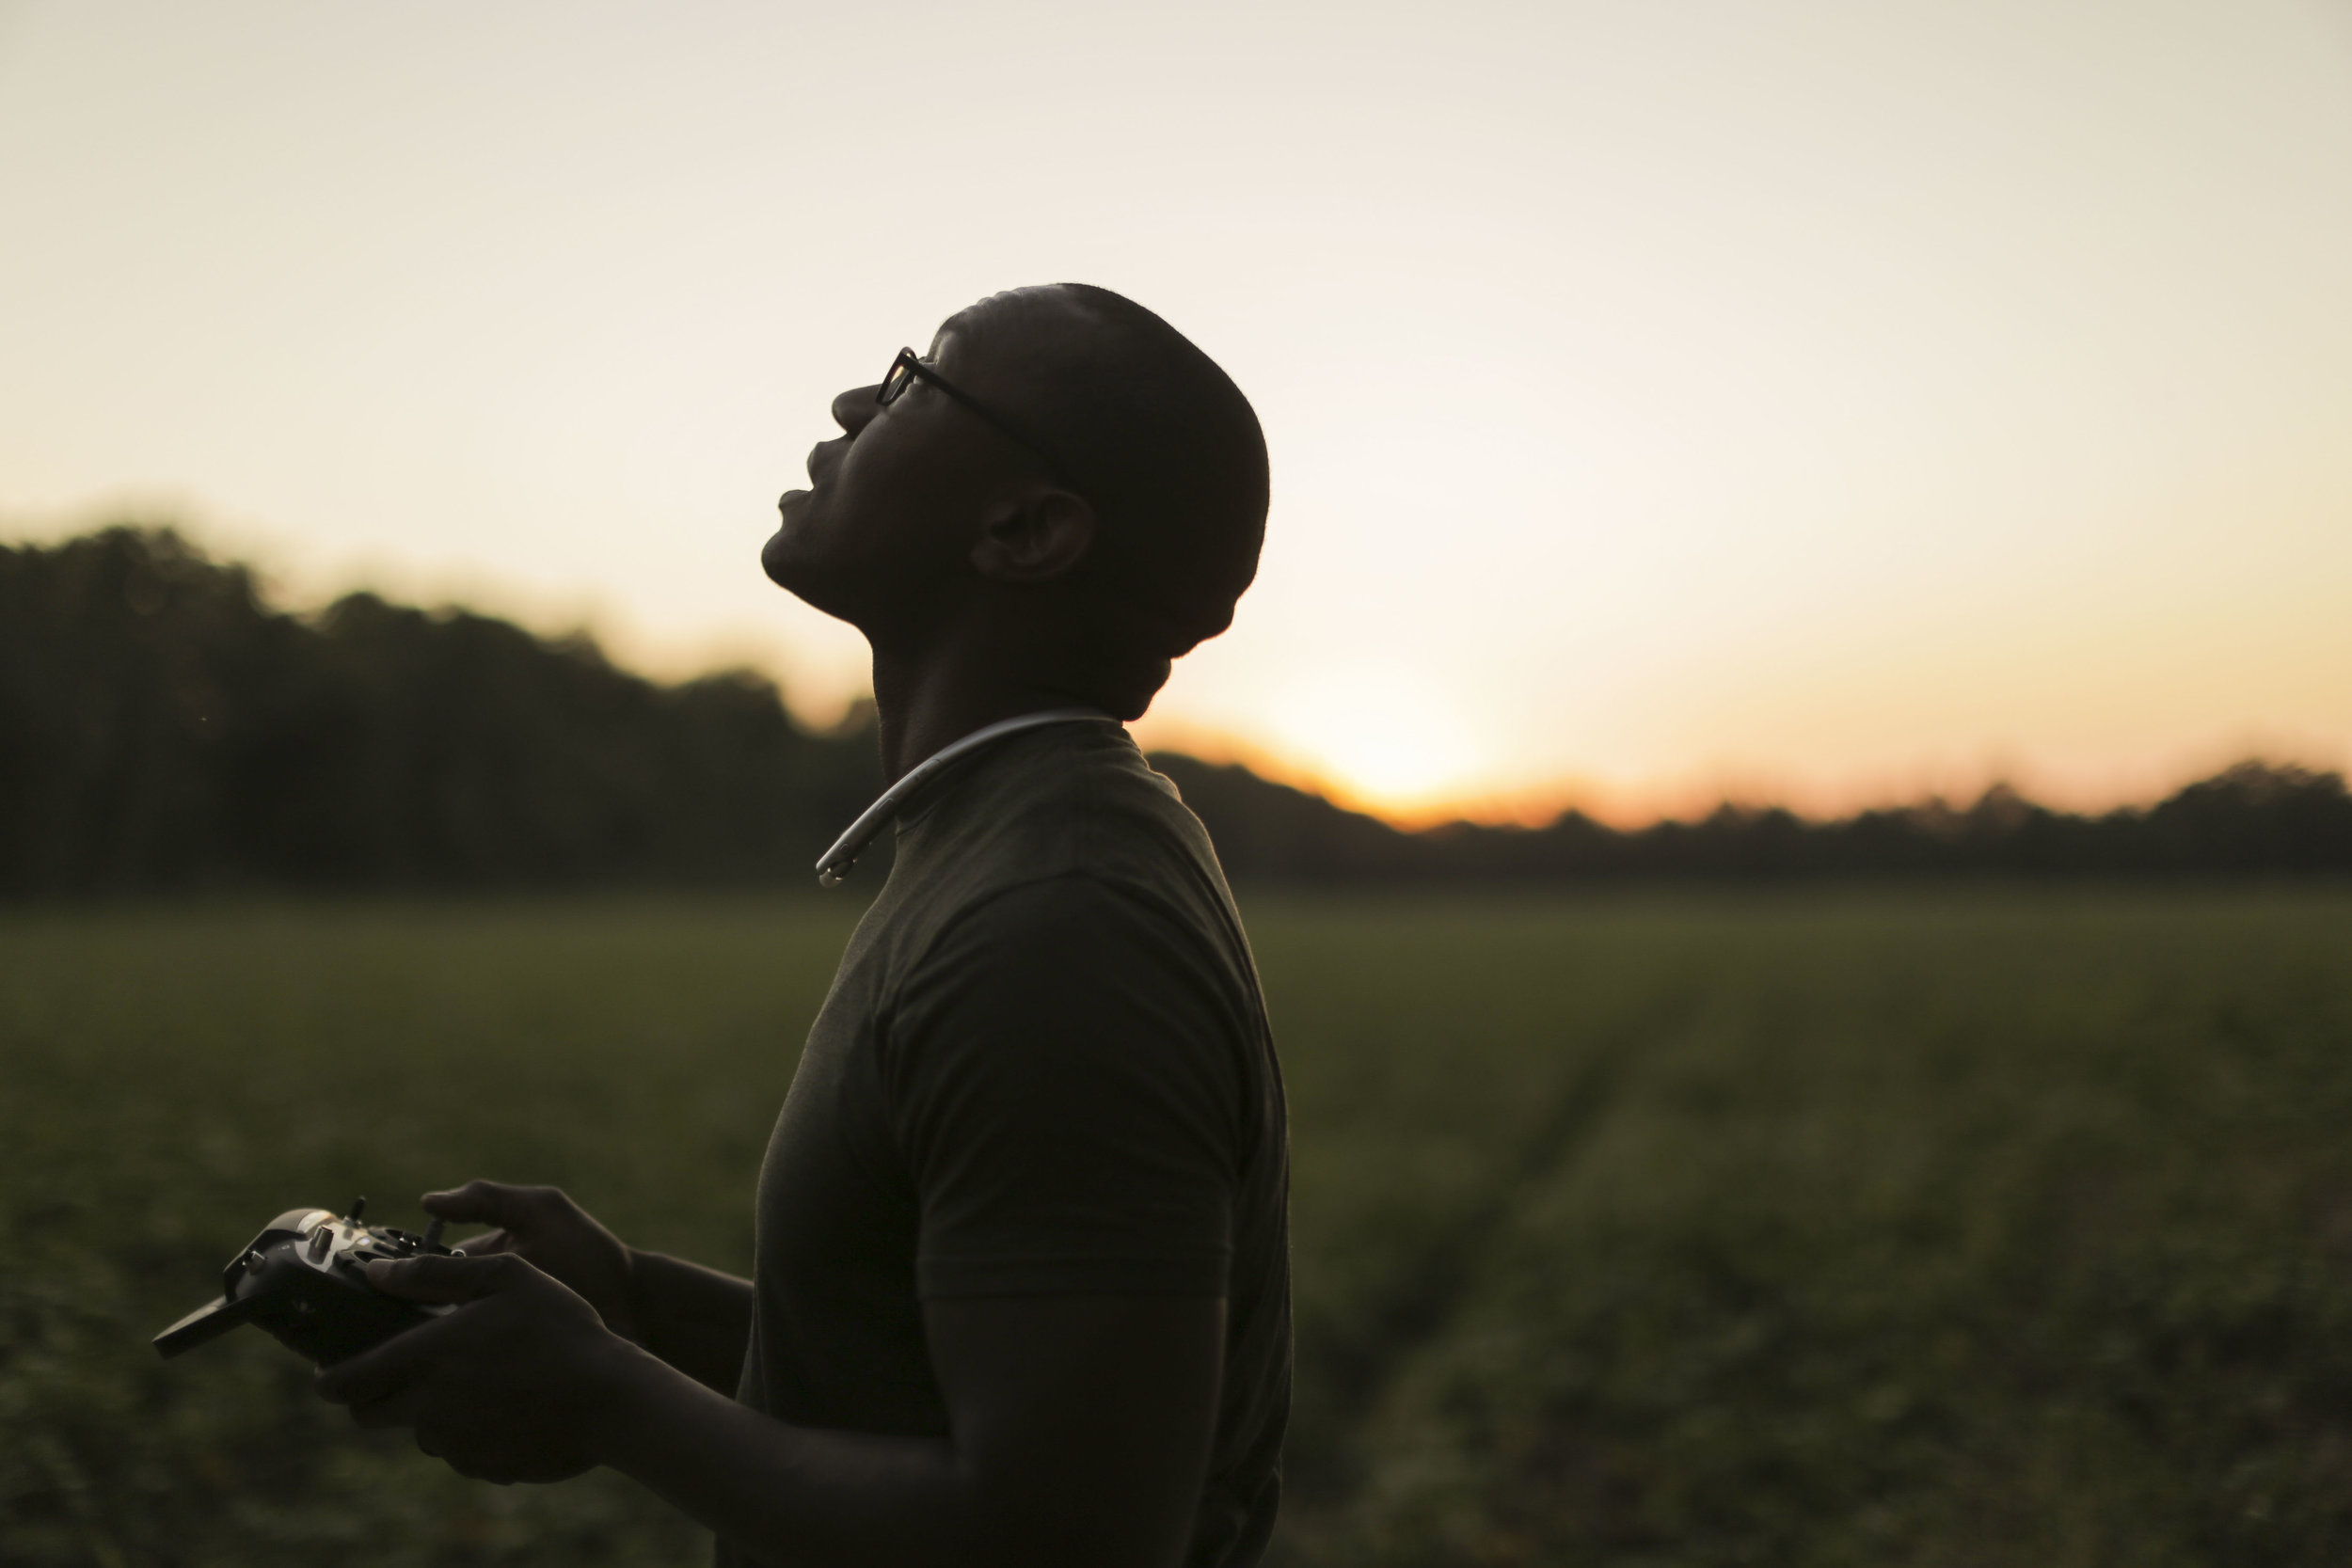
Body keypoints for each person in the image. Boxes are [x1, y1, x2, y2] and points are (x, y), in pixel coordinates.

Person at [316, 282, 1291, 1568]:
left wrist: (605, 1398)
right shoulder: (1009, 843)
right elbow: (928, 1382)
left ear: (1024, 528)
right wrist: (638, 1306)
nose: (849, 404)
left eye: (912, 384)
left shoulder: (1058, 930)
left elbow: (1072, 1537)